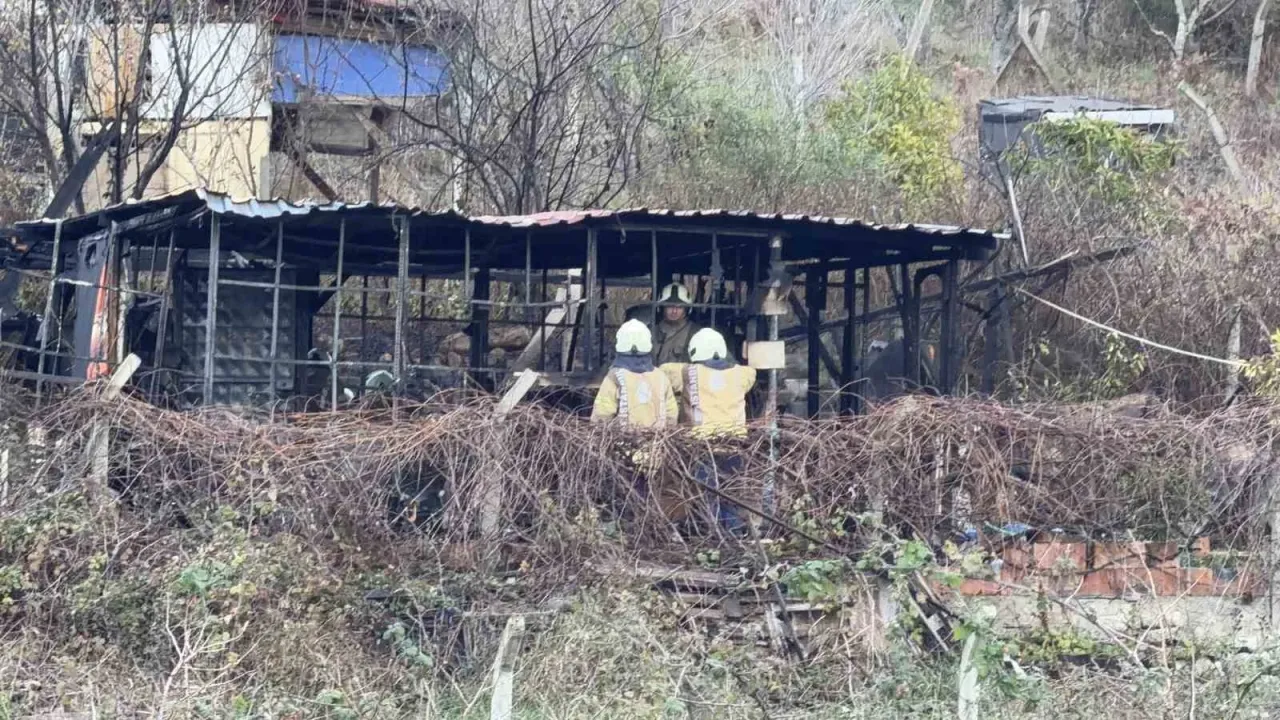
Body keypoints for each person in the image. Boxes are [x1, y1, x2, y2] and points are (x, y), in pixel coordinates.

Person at [661, 328, 758, 533]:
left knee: (706, 494)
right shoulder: (741, 375)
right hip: (734, 444)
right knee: (730, 492)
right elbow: (751, 373)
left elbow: (664, 371)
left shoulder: (687, 372)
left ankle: (710, 536)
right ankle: (732, 535)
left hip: (703, 445)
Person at [591, 319, 678, 428]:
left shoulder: (615, 376)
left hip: (623, 441)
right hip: (657, 441)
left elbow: (602, 413)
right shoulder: (660, 376)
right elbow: (671, 414)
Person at [652, 283, 700, 366]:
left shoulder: (696, 333)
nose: (674, 311)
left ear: (687, 309)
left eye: (680, 307)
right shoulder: (651, 332)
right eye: (670, 306)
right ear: (661, 308)